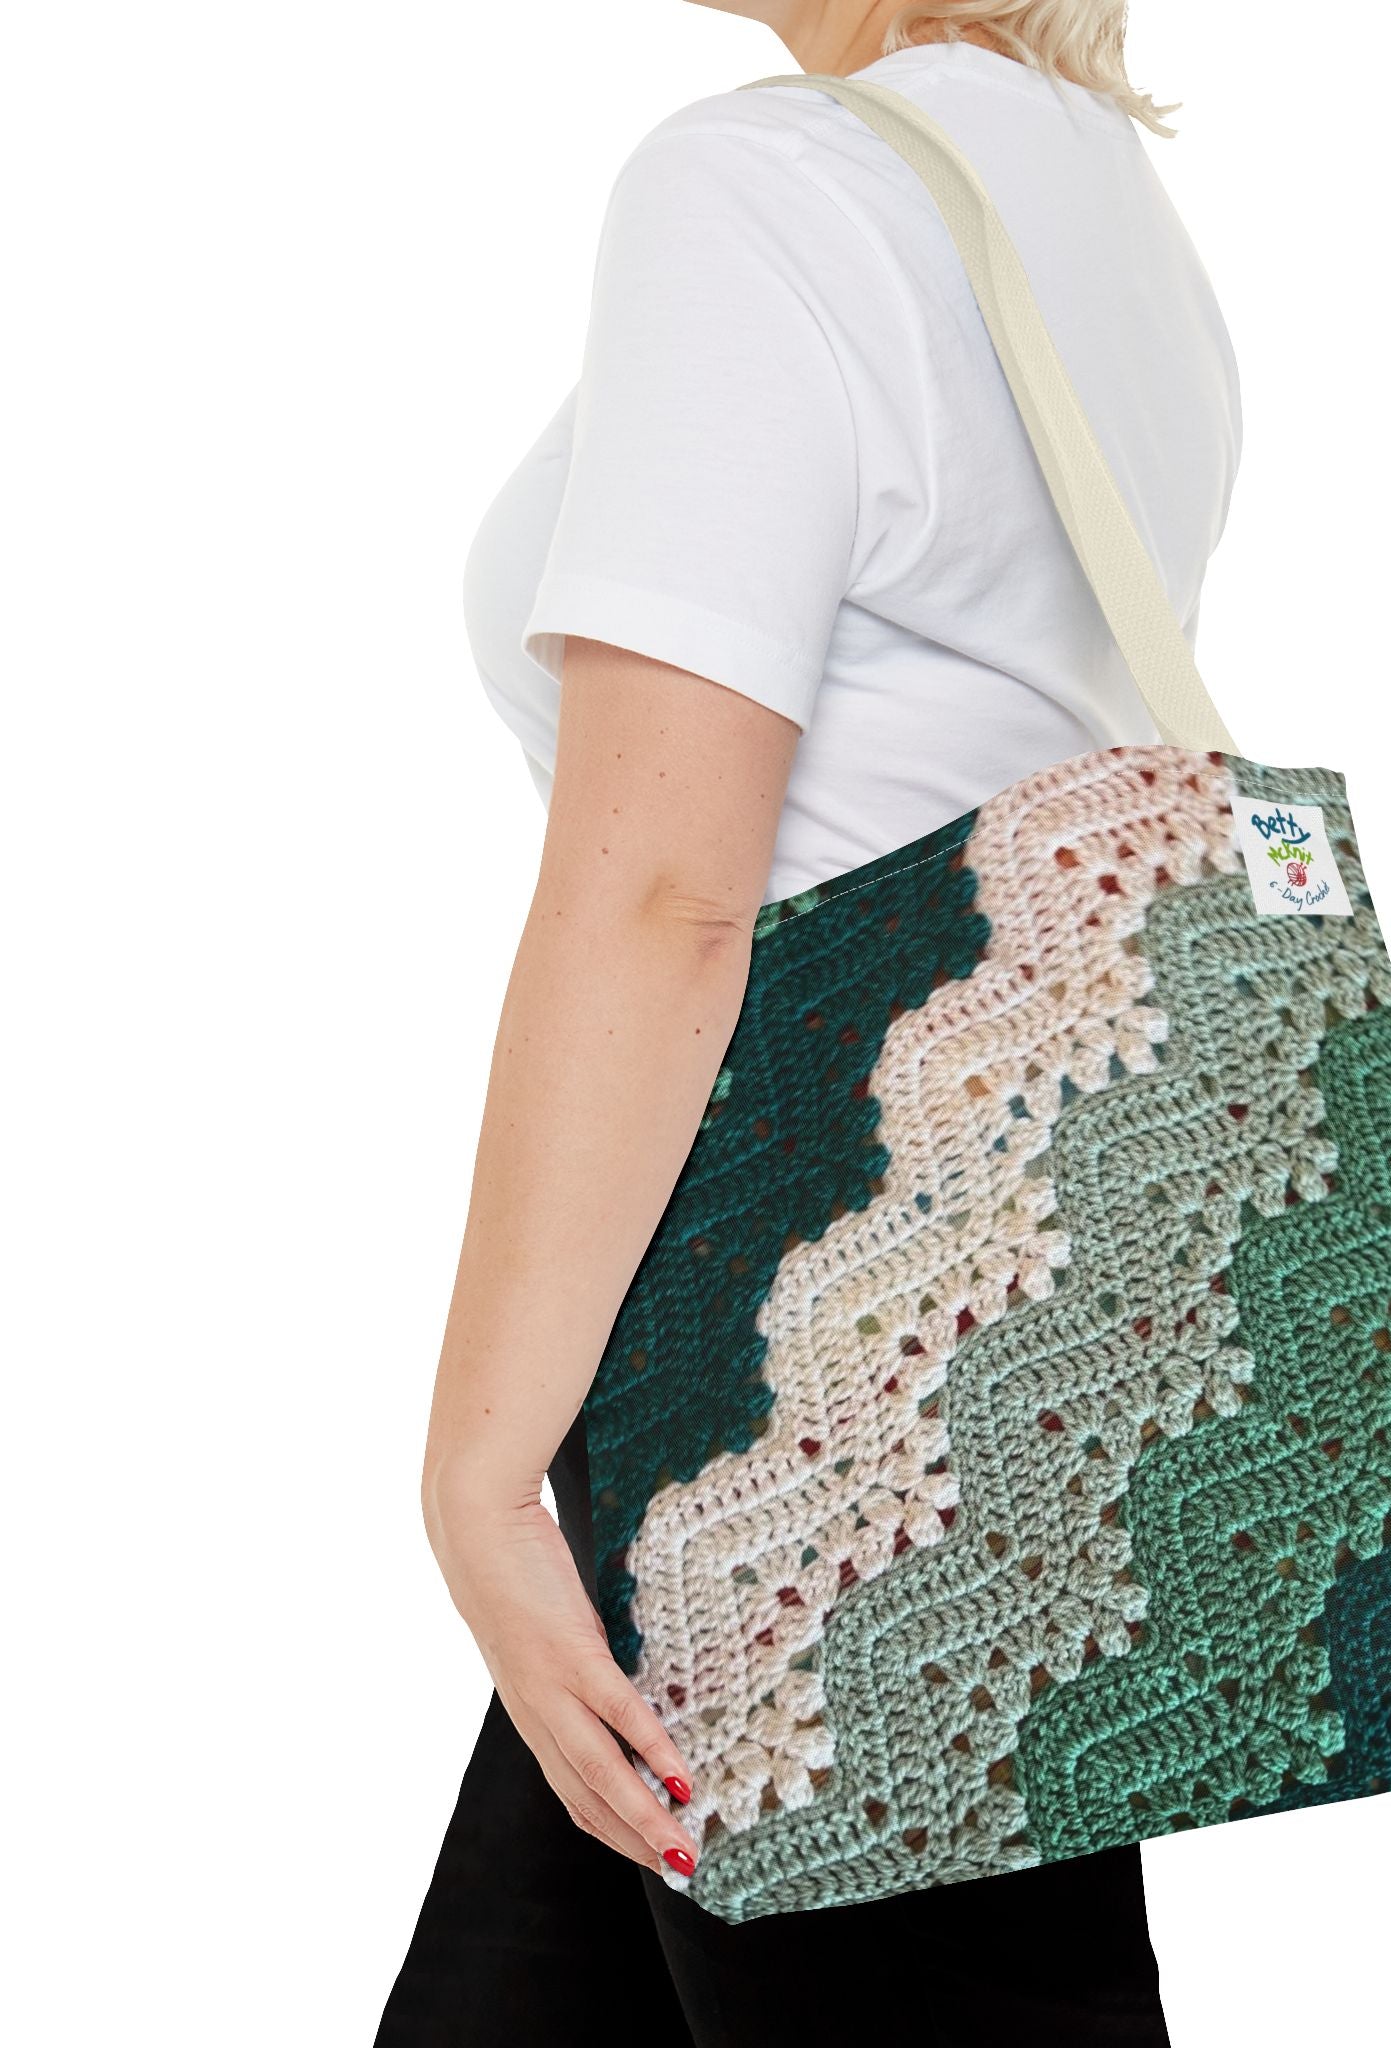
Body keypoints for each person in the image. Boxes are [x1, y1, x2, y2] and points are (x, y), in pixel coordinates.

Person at [380, 5, 1238, 2042]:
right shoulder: (1090, 191)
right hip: (970, 1342)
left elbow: (665, 897)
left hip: (802, 1406)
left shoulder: (765, 186)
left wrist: (480, 1471)